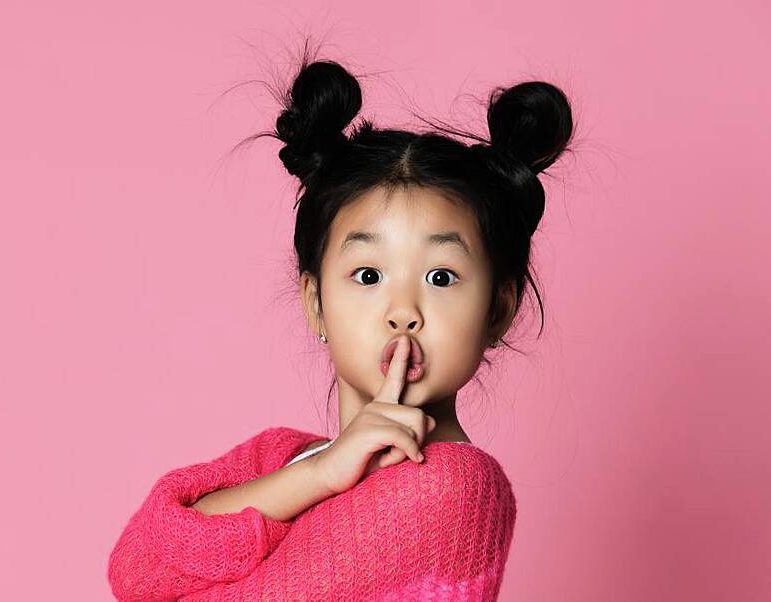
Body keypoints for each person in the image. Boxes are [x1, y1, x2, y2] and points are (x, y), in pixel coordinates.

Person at [107, 49, 575, 601]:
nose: (404, 310)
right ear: (316, 303)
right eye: (369, 274)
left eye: (442, 277)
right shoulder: (278, 457)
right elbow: (134, 571)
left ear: (499, 309)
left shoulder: (454, 489)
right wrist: (319, 474)